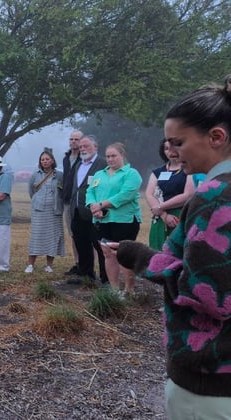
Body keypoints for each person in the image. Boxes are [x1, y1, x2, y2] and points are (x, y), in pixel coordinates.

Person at [112, 75, 231, 418]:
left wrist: (138, 256)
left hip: (210, 384)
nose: (171, 152)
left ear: (216, 136)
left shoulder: (216, 194)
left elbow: (209, 293)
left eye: (177, 142)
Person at [86, 142, 142, 296]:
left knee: (124, 254)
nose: (110, 159)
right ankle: (114, 289)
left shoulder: (131, 174)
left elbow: (126, 194)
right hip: (102, 221)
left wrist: (101, 205)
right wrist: (93, 206)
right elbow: (90, 192)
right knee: (107, 253)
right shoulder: (99, 175)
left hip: (125, 220)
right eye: (108, 156)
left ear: (122, 156)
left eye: (114, 156)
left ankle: (129, 290)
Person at [68, 135, 108, 284]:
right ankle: (86, 275)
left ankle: (106, 278)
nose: (83, 149)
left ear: (95, 147)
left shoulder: (103, 164)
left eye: (86, 146)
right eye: (81, 147)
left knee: (99, 246)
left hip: (95, 213)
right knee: (81, 244)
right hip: (77, 212)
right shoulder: (79, 165)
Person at [144, 138, 195, 250]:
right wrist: (164, 215)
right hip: (160, 217)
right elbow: (149, 194)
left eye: (173, 148)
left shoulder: (189, 169)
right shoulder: (157, 172)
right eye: (166, 148)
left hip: (181, 215)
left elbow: (188, 195)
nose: (170, 152)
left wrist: (160, 207)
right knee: (156, 251)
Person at [25, 149, 65, 273]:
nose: (45, 161)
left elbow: (62, 191)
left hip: (54, 210)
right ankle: (30, 264)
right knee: (36, 236)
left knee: (52, 236)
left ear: (52, 160)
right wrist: (37, 200)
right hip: (39, 210)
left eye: (47, 159)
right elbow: (31, 191)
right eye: (42, 160)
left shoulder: (59, 175)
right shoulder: (35, 175)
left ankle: (49, 265)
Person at [61, 130, 84, 274]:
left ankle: (86, 264)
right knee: (73, 234)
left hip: (81, 202)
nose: (73, 141)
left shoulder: (85, 159)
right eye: (71, 139)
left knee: (83, 234)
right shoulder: (66, 158)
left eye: (76, 139)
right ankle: (77, 263)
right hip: (68, 201)